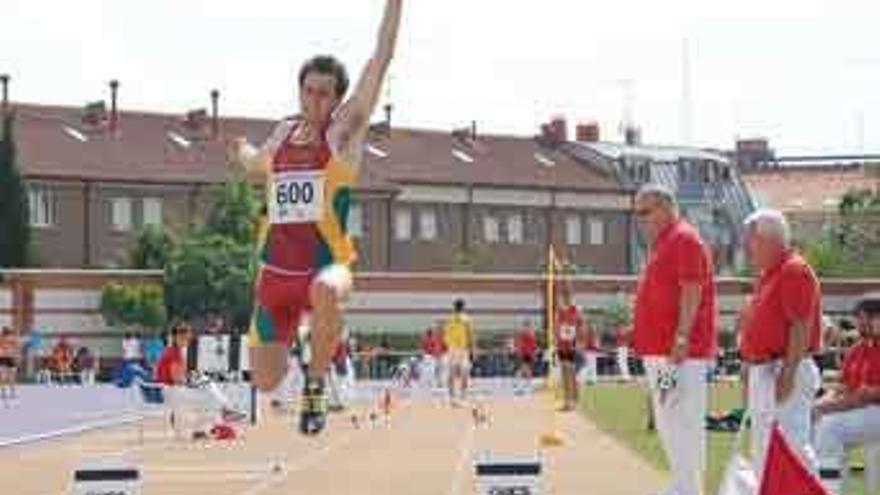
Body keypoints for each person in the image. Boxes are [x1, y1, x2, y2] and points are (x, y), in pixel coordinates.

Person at [230, 0, 403, 436]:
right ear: (299, 91)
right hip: (274, 276)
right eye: (309, 90)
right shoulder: (282, 132)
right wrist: (243, 151)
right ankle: (302, 349)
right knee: (266, 381)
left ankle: (315, 386)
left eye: (325, 92)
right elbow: (259, 165)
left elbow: (380, 60)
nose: (315, 99)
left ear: (338, 98)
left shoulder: (343, 133)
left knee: (327, 289)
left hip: (327, 264)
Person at [631, 184, 717, 495]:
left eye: (645, 211)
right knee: (669, 418)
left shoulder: (683, 239)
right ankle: (683, 486)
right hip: (663, 353)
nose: (641, 220)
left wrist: (681, 337)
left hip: (679, 354)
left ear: (666, 207)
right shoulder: (665, 243)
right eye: (637, 213)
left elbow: (692, 289)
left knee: (682, 421)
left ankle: (688, 489)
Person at [739, 209, 823, 475]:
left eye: (751, 239)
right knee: (764, 447)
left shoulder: (793, 270)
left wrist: (787, 373)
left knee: (791, 446)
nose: (747, 246)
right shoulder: (769, 273)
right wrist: (748, 362)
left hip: (785, 367)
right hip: (765, 367)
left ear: (770, 239)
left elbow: (801, 325)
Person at [814, 294, 880, 494]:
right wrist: (818, 405)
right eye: (859, 317)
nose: (861, 322)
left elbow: (866, 396)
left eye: (868, 317)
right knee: (813, 425)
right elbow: (840, 389)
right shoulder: (856, 350)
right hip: (865, 413)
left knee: (830, 427)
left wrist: (824, 408)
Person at [155, 323, 244, 439]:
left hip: (172, 390)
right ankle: (224, 411)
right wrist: (193, 381)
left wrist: (193, 378)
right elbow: (177, 380)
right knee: (209, 395)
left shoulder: (173, 351)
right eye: (186, 338)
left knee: (207, 388)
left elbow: (179, 377)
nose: (188, 341)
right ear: (178, 337)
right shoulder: (174, 353)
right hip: (172, 391)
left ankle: (216, 418)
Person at [555, 283, 587, 412]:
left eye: (568, 295)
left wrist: (580, 343)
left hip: (573, 345)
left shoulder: (576, 309)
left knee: (571, 373)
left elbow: (582, 326)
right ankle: (568, 401)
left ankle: (574, 400)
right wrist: (556, 340)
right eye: (564, 295)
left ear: (572, 295)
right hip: (562, 346)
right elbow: (557, 327)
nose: (566, 297)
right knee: (564, 373)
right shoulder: (560, 311)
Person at [443, 299, 476, 407]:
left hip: (452, 349)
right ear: (463, 307)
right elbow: (470, 335)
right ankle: (462, 398)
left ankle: (452, 398)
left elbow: (445, 336)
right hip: (462, 350)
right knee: (464, 374)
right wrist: (473, 350)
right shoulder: (466, 319)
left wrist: (448, 346)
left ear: (454, 307)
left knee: (452, 374)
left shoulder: (449, 320)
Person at [514, 320, 538, 394]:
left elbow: (534, 346)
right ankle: (519, 387)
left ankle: (525, 386)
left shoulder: (531, 335)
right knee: (522, 370)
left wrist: (534, 354)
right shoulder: (523, 335)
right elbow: (519, 344)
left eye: (528, 326)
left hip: (528, 354)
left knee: (527, 371)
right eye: (526, 326)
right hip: (523, 354)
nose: (527, 328)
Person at [0, 327, 19, 403]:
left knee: (7, 376)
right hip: (6, 358)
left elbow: (16, 348)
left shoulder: (10, 339)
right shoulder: (11, 339)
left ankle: (8, 392)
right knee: (8, 376)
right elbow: (16, 348)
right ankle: (9, 392)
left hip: (7, 358)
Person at [580, 316, 600, 385]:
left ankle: (591, 379)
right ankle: (584, 379)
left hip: (589, 349)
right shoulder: (589, 329)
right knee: (589, 365)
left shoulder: (586, 329)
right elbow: (593, 341)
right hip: (590, 349)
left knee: (591, 365)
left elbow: (594, 341)